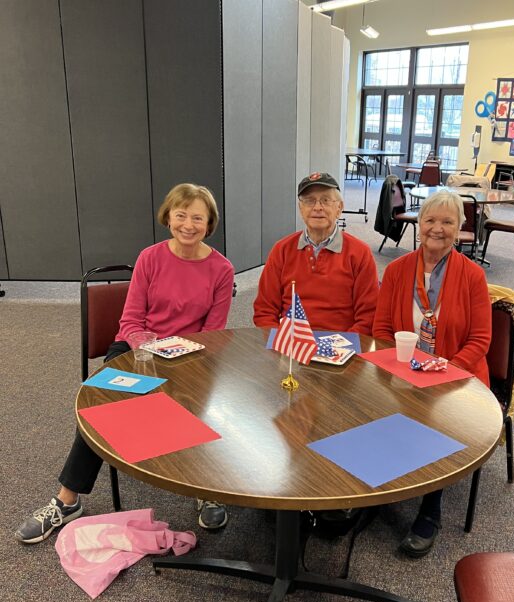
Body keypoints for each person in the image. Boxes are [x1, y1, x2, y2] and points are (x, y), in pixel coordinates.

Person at [16, 183, 236, 544]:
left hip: (191, 353)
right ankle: (66, 500)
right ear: (168, 217)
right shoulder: (150, 258)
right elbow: (131, 321)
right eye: (181, 215)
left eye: (198, 217)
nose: (188, 224)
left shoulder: (221, 269)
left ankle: (206, 488)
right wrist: (148, 350)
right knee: (100, 403)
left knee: (210, 396)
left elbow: (212, 334)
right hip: (138, 348)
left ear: (209, 223)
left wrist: (176, 355)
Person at [373, 190, 492, 557]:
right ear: (418, 223)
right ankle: (372, 492)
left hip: (457, 376)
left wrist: (443, 371)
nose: (437, 229)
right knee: (365, 405)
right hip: (401, 369)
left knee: (437, 420)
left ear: (460, 229)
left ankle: (430, 509)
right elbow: (379, 330)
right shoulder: (396, 270)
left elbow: (480, 339)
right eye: (430, 220)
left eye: (447, 222)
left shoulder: (472, 276)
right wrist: (398, 367)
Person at [253, 172, 379, 335]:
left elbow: (368, 317)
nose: (317, 207)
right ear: (301, 208)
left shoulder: (360, 253)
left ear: (339, 208)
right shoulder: (281, 250)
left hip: (342, 347)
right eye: (309, 201)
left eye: (325, 200)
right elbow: (264, 311)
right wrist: (278, 342)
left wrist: (341, 347)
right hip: (290, 345)